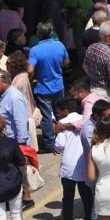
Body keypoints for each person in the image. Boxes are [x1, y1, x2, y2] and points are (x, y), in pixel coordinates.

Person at [52, 97, 92, 220]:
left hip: (68, 167)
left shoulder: (62, 124)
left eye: (59, 112)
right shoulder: (85, 120)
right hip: (84, 165)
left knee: (67, 199)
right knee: (87, 198)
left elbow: (59, 146)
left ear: (65, 111)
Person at [28, 20, 69, 153]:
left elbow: (29, 70)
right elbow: (66, 62)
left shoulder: (35, 50)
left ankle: (50, 143)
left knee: (46, 116)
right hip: (58, 85)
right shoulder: (59, 45)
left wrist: (33, 78)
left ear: (39, 34)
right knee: (59, 113)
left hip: (42, 87)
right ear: (51, 32)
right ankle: (64, 137)